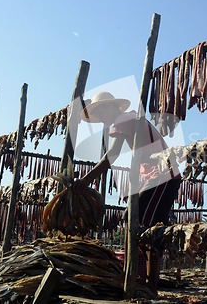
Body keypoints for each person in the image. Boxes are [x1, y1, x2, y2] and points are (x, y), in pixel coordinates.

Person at [73, 91, 181, 294]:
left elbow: (111, 156)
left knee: (146, 225)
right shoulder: (128, 118)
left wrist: (86, 180)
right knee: (136, 219)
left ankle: (149, 284)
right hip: (155, 176)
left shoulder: (123, 118)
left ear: (109, 107)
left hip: (163, 175)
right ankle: (141, 277)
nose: (101, 118)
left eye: (100, 112)